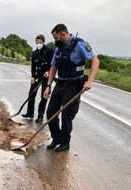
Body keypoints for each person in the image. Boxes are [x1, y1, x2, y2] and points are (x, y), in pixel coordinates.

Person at [43, 24, 100, 152]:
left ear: (63, 34)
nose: (55, 41)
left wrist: (90, 81)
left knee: (66, 115)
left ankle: (65, 142)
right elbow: (53, 67)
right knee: (51, 112)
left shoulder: (80, 45)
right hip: (60, 84)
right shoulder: (59, 48)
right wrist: (48, 86)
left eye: (56, 38)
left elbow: (95, 61)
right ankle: (56, 138)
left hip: (74, 85)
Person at [22, 34, 54, 123]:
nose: (39, 44)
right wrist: (32, 76)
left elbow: (53, 64)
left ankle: (40, 116)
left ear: (43, 42)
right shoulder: (35, 53)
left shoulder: (49, 51)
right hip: (37, 76)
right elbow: (33, 66)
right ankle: (29, 113)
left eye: (40, 42)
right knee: (31, 93)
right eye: (37, 42)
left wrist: (49, 71)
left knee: (44, 96)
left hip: (46, 76)